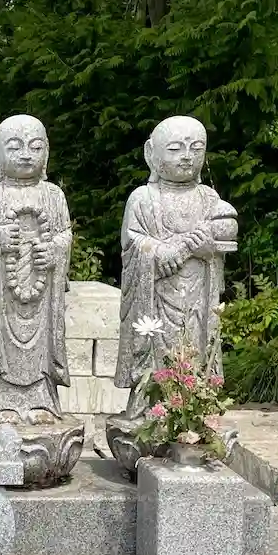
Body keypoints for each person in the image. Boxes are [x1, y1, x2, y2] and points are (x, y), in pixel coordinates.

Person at [114, 115, 237, 410]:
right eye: (175, 149)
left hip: (197, 298)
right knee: (155, 345)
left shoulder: (209, 198)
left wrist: (208, 250)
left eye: (196, 148)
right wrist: (159, 252)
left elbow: (223, 237)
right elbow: (131, 244)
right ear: (151, 153)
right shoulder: (143, 198)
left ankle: (194, 409)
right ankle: (151, 406)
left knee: (194, 351)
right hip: (156, 298)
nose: (187, 156)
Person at [0, 114, 72, 424]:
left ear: (46, 152)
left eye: (35, 147)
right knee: (2, 343)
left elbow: (64, 235)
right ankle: (1, 402)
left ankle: (41, 400)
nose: (26, 154)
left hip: (41, 296)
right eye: (15, 147)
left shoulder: (54, 196)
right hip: (2, 297)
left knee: (40, 346)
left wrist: (55, 251)